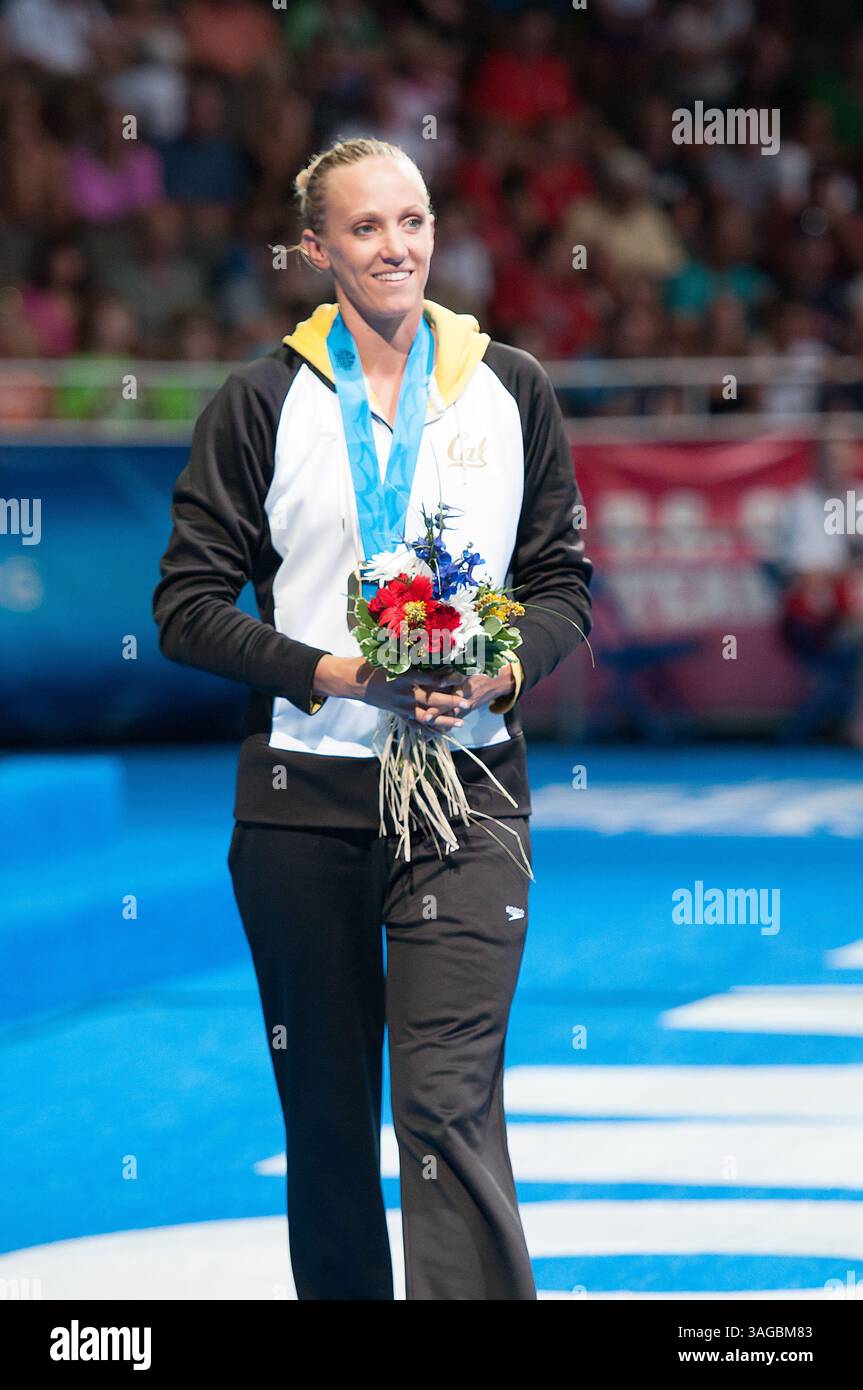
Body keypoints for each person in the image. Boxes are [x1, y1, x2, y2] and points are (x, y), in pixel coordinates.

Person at [152, 136, 593, 1300]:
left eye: (412, 220)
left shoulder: (511, 388)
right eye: (363, 227)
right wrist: (335, 672)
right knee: (328, 1120)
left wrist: (499, 671)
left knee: (446, 1105)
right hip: (301, 803)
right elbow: (185, 610)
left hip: (468, 795)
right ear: (315, 249)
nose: (394, 246)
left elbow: (561, 585)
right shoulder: (260, 402)